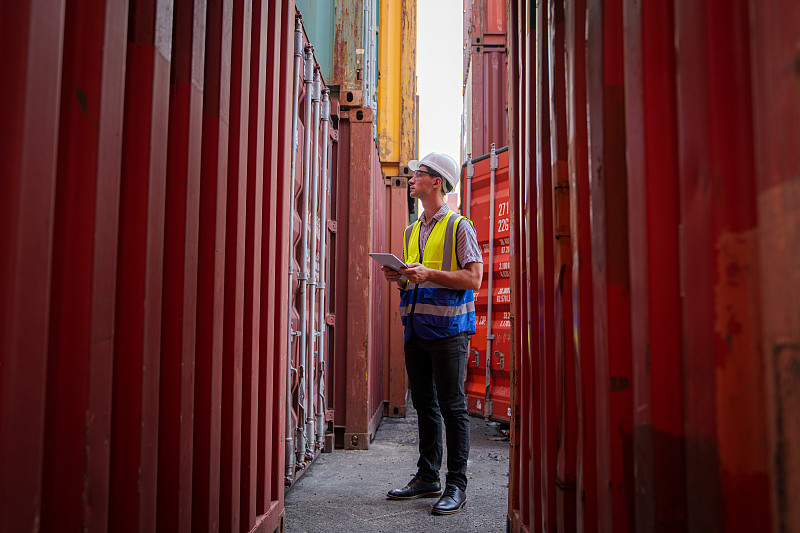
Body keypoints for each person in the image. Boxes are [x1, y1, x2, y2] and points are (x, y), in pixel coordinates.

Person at [382, 152, 483, 515]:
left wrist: (428, 274)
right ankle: (428, 477)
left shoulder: (459, 226)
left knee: (453, 407)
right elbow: (416, 281)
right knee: (424, 405)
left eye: (417, 174)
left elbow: (474, 278)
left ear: (436, 181)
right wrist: (400, 278)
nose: (410, 179)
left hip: (450, 331)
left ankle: (457, 484)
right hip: (417, 328)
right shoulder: (412, 230)